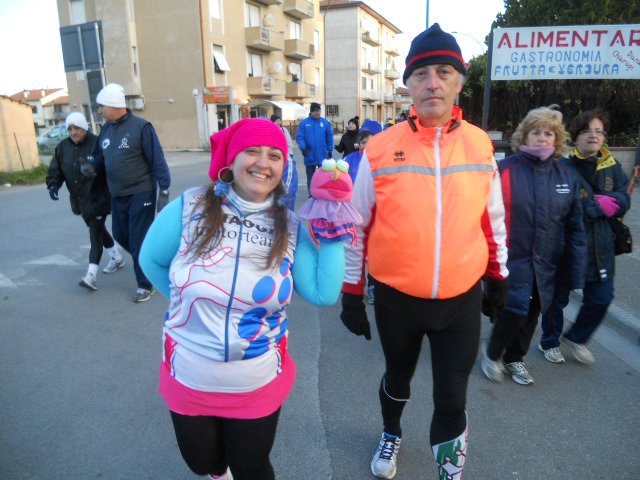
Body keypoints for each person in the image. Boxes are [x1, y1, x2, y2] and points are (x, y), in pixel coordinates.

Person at [339, 23, 509, 480]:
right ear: (409, 85)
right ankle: (391, 431)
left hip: (460, 301)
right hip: (398, 299)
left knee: (452, 398)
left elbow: (491, 218)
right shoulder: (380, 148)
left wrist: (499, 277)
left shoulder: (479, 144)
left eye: (443, 72)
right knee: (398, 379)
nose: (432, 82)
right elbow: (356, 225)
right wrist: (352, 292)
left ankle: (449, 473)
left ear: (459, 82)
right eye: (421, 74)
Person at [139, 118, 349, 480]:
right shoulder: (190, 206)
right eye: (252, 151)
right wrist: (186, 307)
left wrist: (333, 229)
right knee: (204, 464)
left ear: (283, 167)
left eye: (274, 155)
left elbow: (323, 293)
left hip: (256, 381)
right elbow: (151, 261)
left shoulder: (290, 225)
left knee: (251, 468)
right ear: (232, 159)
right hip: (189, 374)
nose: (263, 163)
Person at [480, 106, 587, 386]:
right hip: (510, 259)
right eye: (536, 131)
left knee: (532, 314)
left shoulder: (566, 177)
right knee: (514, 310)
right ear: (524, 136)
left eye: (549, 133)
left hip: (548, 263)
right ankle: (492, 353)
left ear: (557, 138)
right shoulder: (504, 170)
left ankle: (515, 358)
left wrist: (576, 269)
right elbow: (484, 216)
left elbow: (575, 228)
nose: (542, 137)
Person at [539, 109, 630, 365]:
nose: (594, 135)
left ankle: (576, 337)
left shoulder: (612, 166)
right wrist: (596, 205)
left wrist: (615, 202)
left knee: (602, 298)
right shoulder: (562, 167)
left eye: (599, 131)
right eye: (588, 131)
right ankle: (550, 341)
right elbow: (555, 205)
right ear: (576, 136)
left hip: (602, 246)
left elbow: (624, 198)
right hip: (568, 247)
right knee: (557, 300)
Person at [81, 83, 171, 302]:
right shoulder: (106, 129)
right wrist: (90, 166)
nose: (100, 111)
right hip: (117, 194)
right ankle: (152, 259)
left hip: (141, 191)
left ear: (113, 106)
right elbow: (98, 157)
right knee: (121, 235)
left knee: (138, 239)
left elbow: (157, 159)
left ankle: (145, 284)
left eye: (102, 106)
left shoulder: (141, 127)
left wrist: (164, 190)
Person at [46, 112, 124, 291]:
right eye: (70, 129)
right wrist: (53, 185)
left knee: (94, 235)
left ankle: (91, 276)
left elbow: (111, 166)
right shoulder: (63, 147)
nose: (73, 132)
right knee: (98, 229)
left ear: (85, 128)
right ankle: (116, 257)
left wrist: (97, 171)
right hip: (79, 200)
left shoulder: (98, 142)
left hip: (99, 197)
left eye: (77, 128)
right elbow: (56, 169)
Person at [296, 102, 334, 193]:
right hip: (310, 154)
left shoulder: (325, 122)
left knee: (324, 177)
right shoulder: (304, 123)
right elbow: (300, 137)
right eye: (316, 111)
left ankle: (323, 194)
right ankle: (312, 195)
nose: (318, 112)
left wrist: (330, 150)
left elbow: (329, 136)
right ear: (311, 112)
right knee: (311, 178)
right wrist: (303, 148)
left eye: (319, 110)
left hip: (323, 154)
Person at [270, 114, 298, 210]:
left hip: (286, 157)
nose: (279, 127)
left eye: (280, 124)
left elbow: (289, 186)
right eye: (276, 124)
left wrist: (289, 154)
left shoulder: (284, 131)